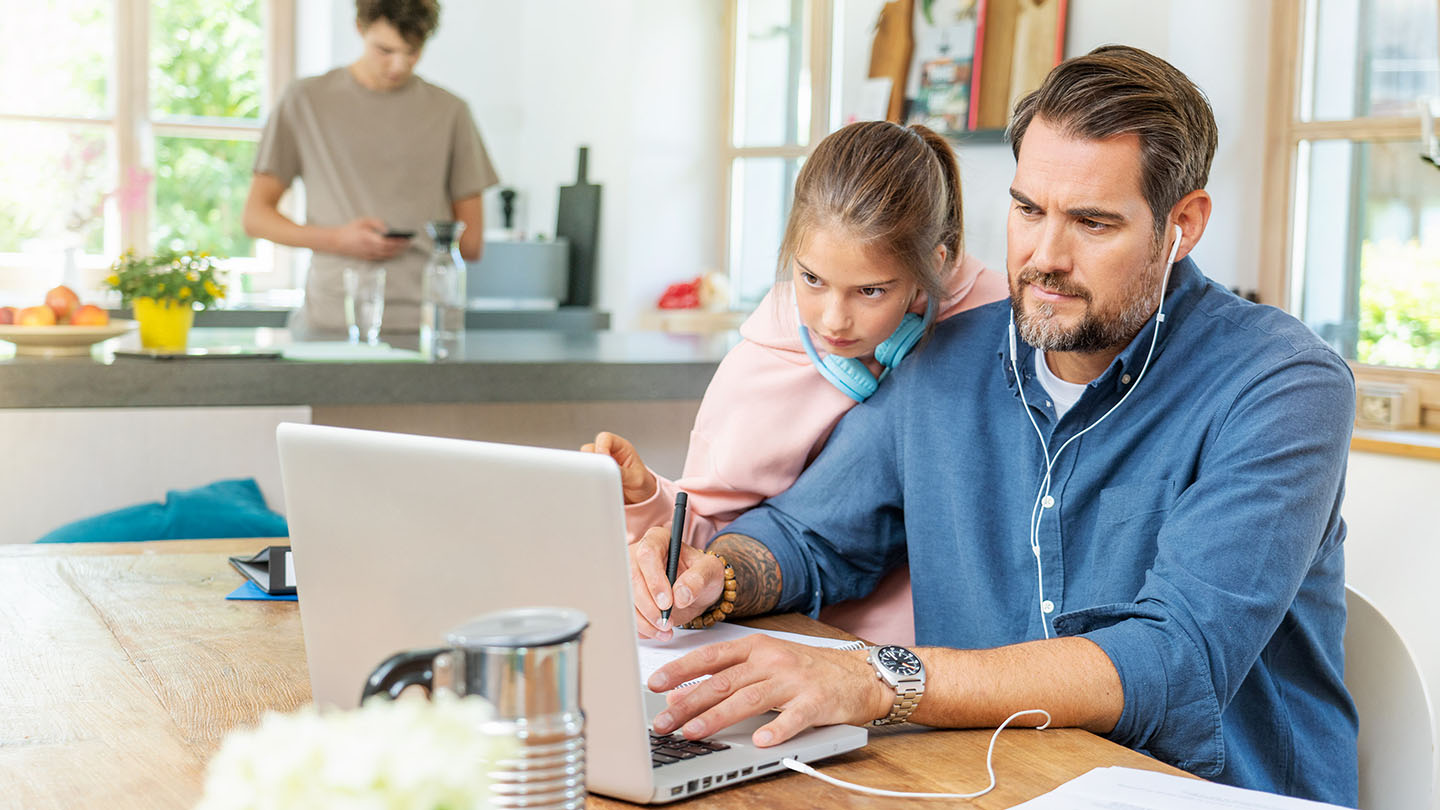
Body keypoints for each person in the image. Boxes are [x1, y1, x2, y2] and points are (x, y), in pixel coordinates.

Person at [628, 46, 1357, 806]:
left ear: (1184, 224)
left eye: (1093, 223)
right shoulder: (944, 361)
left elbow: (1174, 659)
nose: (1045, 257)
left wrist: (882, 678)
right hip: (986, 787)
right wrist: (719, 574)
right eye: (1028, 209)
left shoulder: (1281, 385)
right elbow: (810, 538)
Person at [584, 120, 1007, 646]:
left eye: (870, 291)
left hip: (960, 665)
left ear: (933, 269)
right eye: (811, 279)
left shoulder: (1000, 327)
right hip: (797, 644)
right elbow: (707, 542)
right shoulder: (762, 360)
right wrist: (646, 498)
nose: (832, 320)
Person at [243, 0, 498, 336]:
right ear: (360, 28)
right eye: (385, 50)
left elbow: (471, 243)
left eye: (412, 52)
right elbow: (256, 217)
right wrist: (337, 239)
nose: (398, 65)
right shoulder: (305, 100)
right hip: (330, 326)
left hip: (427, 330)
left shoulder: (451, 112)